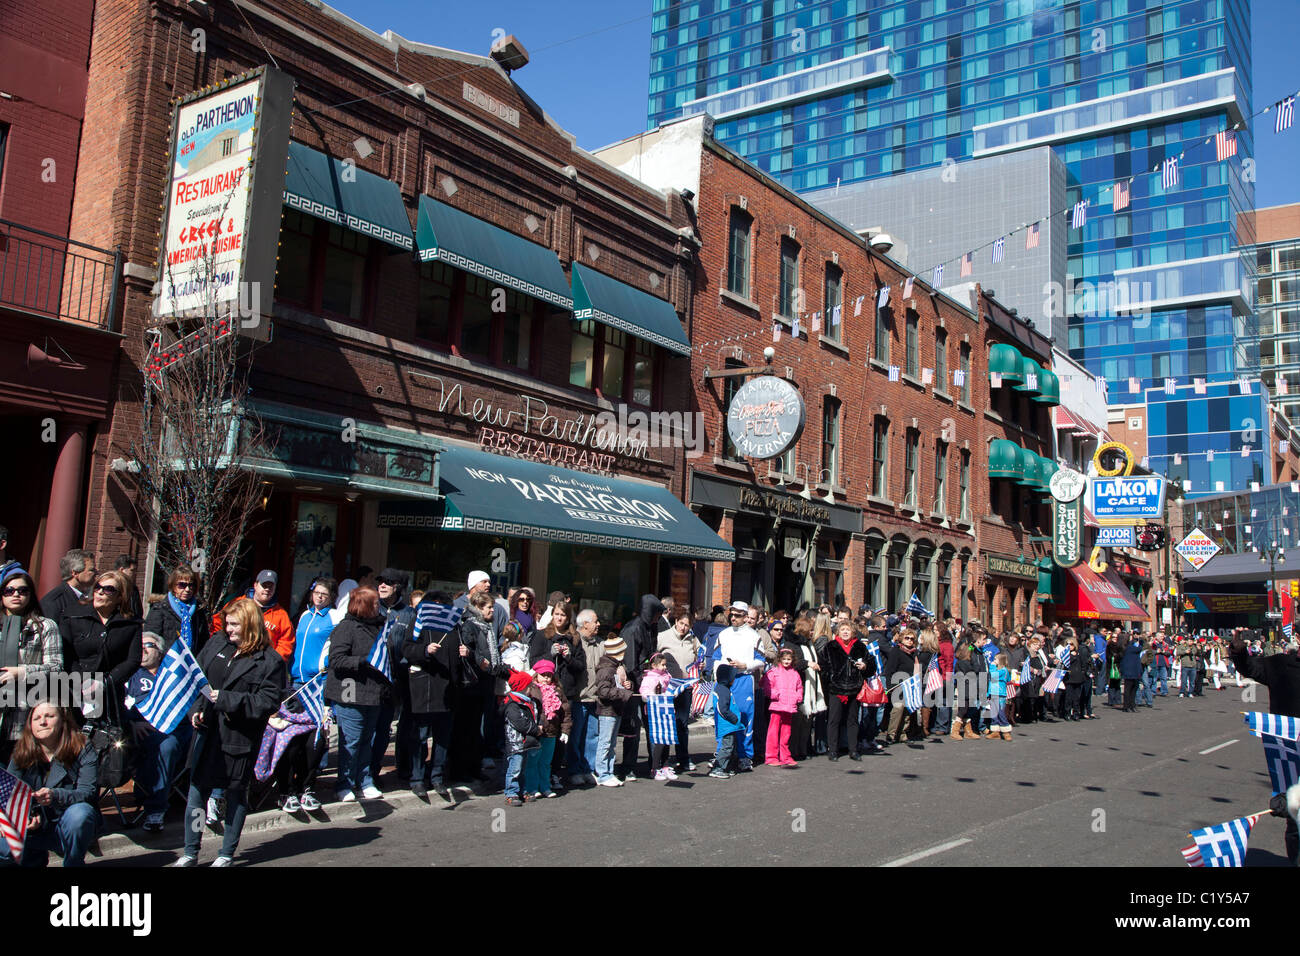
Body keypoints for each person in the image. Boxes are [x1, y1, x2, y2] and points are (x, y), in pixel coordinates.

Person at [173, 598, 285, 866]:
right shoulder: (217, 643)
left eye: (234, 625)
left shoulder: (270, 661)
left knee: (235, 793)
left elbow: (268, 702)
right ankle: (190, 851)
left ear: (249, 625)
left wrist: (226, 699)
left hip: (239, 737)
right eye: (227, 624)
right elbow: (199, 678)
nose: (229, 629)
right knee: (197, 792)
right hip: (207, 730)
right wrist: (197, 708)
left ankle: (226, 853)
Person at [1230, 628, 1300, 864]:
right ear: (1298, 639)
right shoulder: (1280, 665)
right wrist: (1239, 651)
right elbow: (1249, 668)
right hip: (1291, 756)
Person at [0, 703, 98, 867]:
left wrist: (55, 795)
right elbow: (7, 794)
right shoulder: (21, 750)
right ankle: (29, 858)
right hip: (34, 825)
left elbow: (88, 792)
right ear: (30, 725)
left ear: (63, 720)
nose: (42, 722)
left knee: (81, 814)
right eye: (36, 718)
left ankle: (74, 862)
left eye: (49, 716)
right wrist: (27, 815)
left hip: (65, 821)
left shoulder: (82, 746)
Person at [324, 587, 391, 802]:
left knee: (366, 740)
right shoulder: (347, 627)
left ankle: (365, 780)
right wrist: (362, 661)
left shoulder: (380, 626)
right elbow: (336, 660)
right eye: (373, 603)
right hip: (350, 691)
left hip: (373, 692)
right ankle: (344, 783)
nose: (377, 607)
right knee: (351, 740)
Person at [126, 631, 194, 831]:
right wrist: (132, 723)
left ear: (160, 651)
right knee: (167, 744)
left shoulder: (173, 673)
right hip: (147, 733)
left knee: (208, 737)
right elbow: (120, 707)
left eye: (148, 645)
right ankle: (155, 809)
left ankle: (212, 799)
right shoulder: (130, 675)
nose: (143, 649)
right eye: (140, 645)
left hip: (182, 728)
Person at [0, 567, 64, 766]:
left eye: (22, 590)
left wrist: (22, 672)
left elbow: (56, 668)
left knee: (18, 776)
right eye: (9, 590)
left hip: (26, 711)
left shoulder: (45, 626)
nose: (16, 594)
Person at [401, 590, 460, 800]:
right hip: (424, 687)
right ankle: (417, 778)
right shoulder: (418, 623)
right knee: (420, 736)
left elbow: (463, 653)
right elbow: (407, 648)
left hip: (448, 689)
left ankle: (437, 776)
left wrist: (466, 653)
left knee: (442, 737)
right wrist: (425, 651)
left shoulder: (453, 626)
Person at [60, 569, 142, 714]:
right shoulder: (73, 615)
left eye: (108, 589)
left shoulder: (130, 624)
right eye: (98, 587)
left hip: (110, 693)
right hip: (73, 690)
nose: (100, 592)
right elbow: (66, 653)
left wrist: (105, 683)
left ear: (120, 596)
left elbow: (133, 660)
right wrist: (82, 681)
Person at [617, 594, 664, 780]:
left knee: (651, 726)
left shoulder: (648, 628)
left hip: (646, 684)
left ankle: (655, 764)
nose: (658, 618)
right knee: (633, 728)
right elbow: (631, 662)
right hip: (635, 688)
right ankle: (628, 766)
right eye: (657, 614)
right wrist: (642, 682)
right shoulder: (634, 629)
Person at [713, 601, 762, 770]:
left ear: (745, 616)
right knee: (723, 716)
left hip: (744, 679)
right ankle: (722, 755)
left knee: (745, 718)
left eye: (737, 615)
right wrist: (717, 676)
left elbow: (760, 660)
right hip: (725, 680)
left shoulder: (754, 636)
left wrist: (745, 665)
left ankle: (745, 756)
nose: (733, 618)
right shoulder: (724, 634)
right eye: (731, 615)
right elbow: (716, 657)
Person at [818, 622, 872, 761]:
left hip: (854, 688)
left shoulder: (860, 647)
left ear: (853, 632)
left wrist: (865, 666)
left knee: (852, 720)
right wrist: (831, 679)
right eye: (842, 630)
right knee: (833, 720)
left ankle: (853, 750)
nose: (845, 632)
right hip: (836, 689)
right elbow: (823, 666)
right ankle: (833, 751)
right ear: (838, 632)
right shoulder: (831, 646)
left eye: (848, 629)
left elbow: (872, 665)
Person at [569, 608, 605, 786]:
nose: (598, 624)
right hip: (578, 698)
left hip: (595, 698)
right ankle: (574, 770)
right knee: (576, 737)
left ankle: (588, 769)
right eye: (595, 621)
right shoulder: (575, 641)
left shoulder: (600, 644)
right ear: (585, 624)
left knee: (592, 736)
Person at [525, 659, 570, 797]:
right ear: (536, 675)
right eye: (543, 674)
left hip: (551, 732)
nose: (546, 678)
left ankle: (545, 786)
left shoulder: (557, 691)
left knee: (545, 762)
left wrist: (565, 730)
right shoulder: (531, 690)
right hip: (536, 732)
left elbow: (565, 712)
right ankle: (532, 787)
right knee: (533, 761)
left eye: (549, 675)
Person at [592, 635, 632, 787]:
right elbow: (603, 691)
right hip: (607, 710)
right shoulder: (606, 669)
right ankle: (602, 773)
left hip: (616, 710)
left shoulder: (617, 667)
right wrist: (623, 693)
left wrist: (628, 685)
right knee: (605, 742)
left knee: (612, 742)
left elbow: (618, 686)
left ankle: (609, 771)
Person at [143, 565, 207, 657]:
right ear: (173, 586)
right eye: (182, 585)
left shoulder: (198, 611)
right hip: (166, 662)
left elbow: (203, 641)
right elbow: (151, 639)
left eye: (191, 585)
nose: (187, 589)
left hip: (191, 663)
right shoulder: (160, 609)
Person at [502, 670, 540, 806]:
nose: (531, 689)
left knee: (522, 768)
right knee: (515, 768)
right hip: (515, 742)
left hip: (524, 742)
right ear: (524, 687)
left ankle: (522, 790)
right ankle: (511, 793)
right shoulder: (512, 704)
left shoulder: (527, 702)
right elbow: (520, 723)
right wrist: (536, 730)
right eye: (530, 686)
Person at [638, 653, 679, 781]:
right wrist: (652, 696)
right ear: (654, 665)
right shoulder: (649, 678)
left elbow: (670, 689)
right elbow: (644, 693)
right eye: (662, 664)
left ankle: (665, 766)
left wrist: (674, 693)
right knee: (658, 740)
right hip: (654, 712)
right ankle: (655, 768)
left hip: (666, 710)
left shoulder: (667, 676)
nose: (665, 667)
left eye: (665, 664)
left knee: (667, 739)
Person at [761, 647, 803, 766]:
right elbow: (767, 685)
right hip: (777, 705)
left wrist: (798, 697)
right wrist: (774, 695)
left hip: (789, 706)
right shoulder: (773, 672)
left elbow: (799, 687)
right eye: (784, 659)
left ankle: (785, 756)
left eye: (789, 659)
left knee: (786, 733)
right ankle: (771, 756)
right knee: (773, 731)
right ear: (780, 659)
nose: (786, 661)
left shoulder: (795, 674)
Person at [40, 549, 96, 629]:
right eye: (92, 570)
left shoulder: (92, 597)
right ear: (75, 573)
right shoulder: (53, 602)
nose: (96, 572)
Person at [708, 663, 743, 778]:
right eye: (732, 677)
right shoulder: (723, 690)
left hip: (730, 725)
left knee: (732, 746)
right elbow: (722, 708)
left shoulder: (724, 688)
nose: (734, 680)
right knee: (727, 747)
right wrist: (733, 718)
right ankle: (718, 767)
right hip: (727, 724)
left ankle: (729, 766)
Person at [985, 653, 1012, 740]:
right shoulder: (1002, 670)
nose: (994, 661)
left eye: (996, 659)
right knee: (994, 713)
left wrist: (992, 666)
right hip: (993, 692)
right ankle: (995, 731)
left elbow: (993, 675)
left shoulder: (1003, 670)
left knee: (1000, 712)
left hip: (999, 693)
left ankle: (1006, 730)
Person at [1119, 634, 1143, 713]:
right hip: (1131, 671)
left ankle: (1130, 705)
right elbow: (1140, 648)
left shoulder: (1125, 648)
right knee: (1130, 690)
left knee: (1130, 689)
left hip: (1130, 671)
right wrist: (1140, 640)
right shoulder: (1129, 648)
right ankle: (1128, 705)